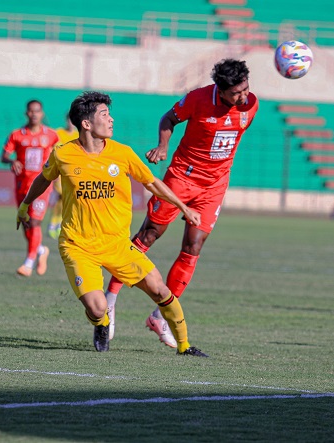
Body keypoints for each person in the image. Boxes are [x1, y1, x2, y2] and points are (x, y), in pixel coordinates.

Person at [16, 91, 208, 356]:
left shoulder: (122, 153)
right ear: (86, 124)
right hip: (78, 246)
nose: (111, 120)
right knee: (96, 308)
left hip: (117, 245)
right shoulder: (63, 154)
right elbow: (43, 179)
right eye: (104, 115)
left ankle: (185, 346)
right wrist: (25, 205)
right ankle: (102, 323)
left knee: (159, 288)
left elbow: (152, 182)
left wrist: (183, 206)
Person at [104, 58, 259, 348]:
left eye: (246, 89)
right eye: (237, 93)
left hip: (214, 186)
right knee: (148, 236)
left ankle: (160, 317)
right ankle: (109, 300)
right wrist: (163, 147)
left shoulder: (251, 106)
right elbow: (168, 119)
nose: (243, 96)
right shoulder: (198, 99)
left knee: (194, 246)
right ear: (220, 90)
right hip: (182, 177)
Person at [1, 99, 59, 277]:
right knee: (26, 223)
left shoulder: (51, 135)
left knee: (35, 222)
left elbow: (59, 155)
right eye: (31, 111)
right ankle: (41, 250)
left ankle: (28, 262)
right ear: (27, 113)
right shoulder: (17, 135)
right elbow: (3, 156)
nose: (34, 114)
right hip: (22, 185)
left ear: (42, 114)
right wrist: (13, 161)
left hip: (42, 185)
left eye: (38, 111)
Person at [48, 114, 79, 240]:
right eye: (69, 120)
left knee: (67, 200)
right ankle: (52, 224)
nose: (71, 123)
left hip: (73, 171)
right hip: (60, 170)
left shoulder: (78, 134)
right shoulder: (58, 133)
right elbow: (52, 149)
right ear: (66, 121)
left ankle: (59, 224)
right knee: (61, 196)